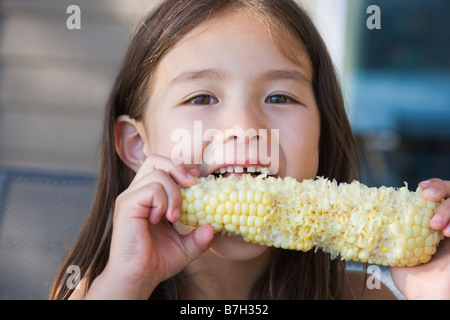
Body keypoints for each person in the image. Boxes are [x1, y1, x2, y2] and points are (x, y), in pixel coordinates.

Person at [50, 0, 450, 300]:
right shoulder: (99, 292)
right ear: (138, 147)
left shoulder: (367, 295)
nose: (244, 128)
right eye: (202, 98)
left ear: (321, 135)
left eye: (280, 96)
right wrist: (127, 285)